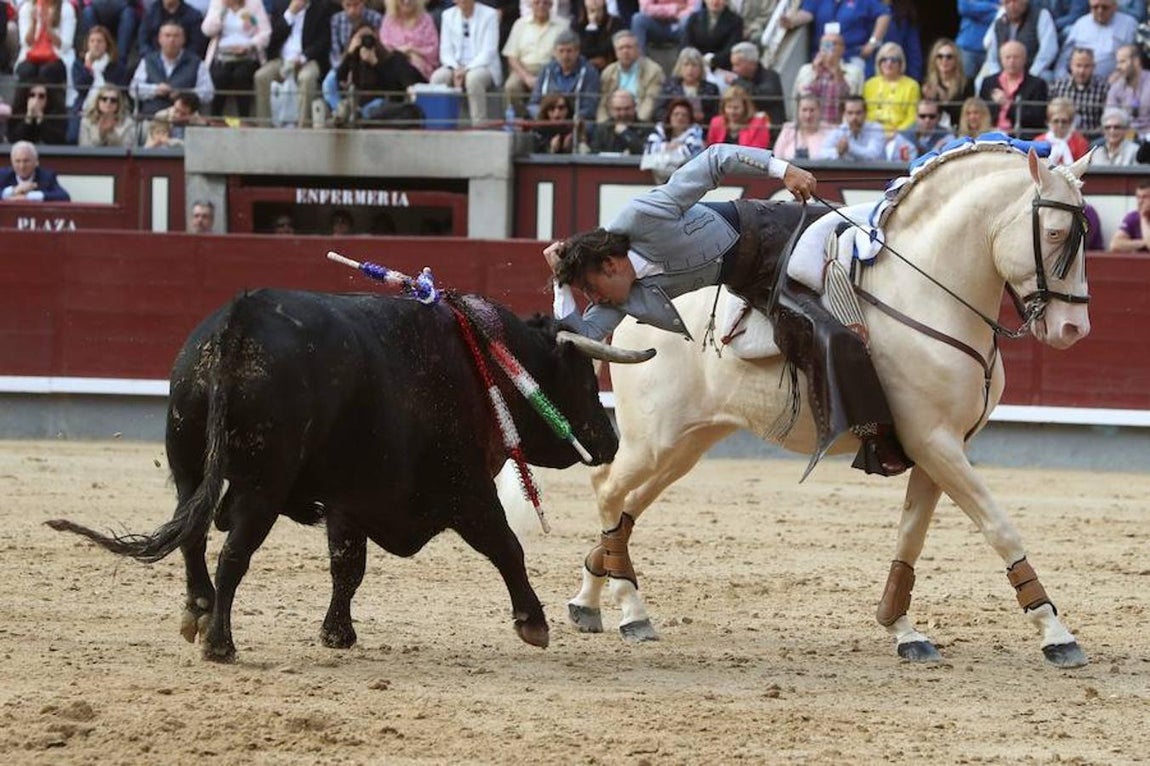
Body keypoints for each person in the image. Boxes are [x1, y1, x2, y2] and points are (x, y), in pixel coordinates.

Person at [544, 143, 910, 475]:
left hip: (776, 230)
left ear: (609, 265)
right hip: (756, 281)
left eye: (591, 289)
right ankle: (874, 431)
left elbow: (715, 158)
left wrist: (783, 170)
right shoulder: (622, 296)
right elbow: (581, 339)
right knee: (818, 333)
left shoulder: (641, 216)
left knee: (878, 239)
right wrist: (561, 283)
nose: (598, 301)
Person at [254, 0, 335, 128]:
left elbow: (323, 42)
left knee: (307, 78)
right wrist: (290, 14)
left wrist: (302, 58)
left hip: (308, 59)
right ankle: (264, 126)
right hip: (282, 59)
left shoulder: (321, 8)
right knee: (261, 76)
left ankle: (303, 126)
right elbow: (272, 39)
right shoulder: (281, 5)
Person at [333, 22, 424, 126]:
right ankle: (345, 113)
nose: (366, 41)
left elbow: (390, 87)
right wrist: (350, 53)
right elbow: (339, 79)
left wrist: (375, 64)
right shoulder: (353, 58)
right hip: (359, 102)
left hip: (380, 102)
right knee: (330, 80)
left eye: (369, 37)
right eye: (361, 37)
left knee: (376, 107)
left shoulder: (388, 59)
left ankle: (355, 116)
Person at [429, 0, 503, 126]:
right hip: (455, 65)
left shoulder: (490, 15)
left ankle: (478, 125)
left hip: (483, 66)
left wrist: (466, 69)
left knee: (473, 78)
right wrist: (456, 68)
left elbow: (489, 51)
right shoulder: (447, 15)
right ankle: (439, 123)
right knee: (437, 78)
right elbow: (445, 50)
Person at [201, 0, 272, 119]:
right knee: (220, 76)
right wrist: (221, 13)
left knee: (241, 75)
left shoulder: (254, 4)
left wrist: (249, 45)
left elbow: (265, 32)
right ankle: (215, 117)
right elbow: (207, 30)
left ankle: (244, 117)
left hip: (248, 55)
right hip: (223, 55)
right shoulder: (218, 4)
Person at [130, 20, 215, 117]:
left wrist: (184, 95)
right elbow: (133, 89)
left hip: (184, 120)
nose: (171, 40)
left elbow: (208, 92)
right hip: (152, 119)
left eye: (176, 36)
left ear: (183, 39)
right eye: (167, 35)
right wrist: (155, 90)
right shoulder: (147, 60)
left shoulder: (197, 62)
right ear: (159, 39)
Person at [782, 0, 890, 74]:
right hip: (822, 56)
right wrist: (791, 21)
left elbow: (884, 14)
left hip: (852, 56)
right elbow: (807, 14)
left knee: (853, 82)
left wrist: (873, 42)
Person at [502, 0, 569, 116]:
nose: (541, 6)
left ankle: (544, 122)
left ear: (551, 5)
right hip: (524, 68)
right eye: (537, 3)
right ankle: (522, 119)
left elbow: (565, 55)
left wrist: (545, 75)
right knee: (511, 86)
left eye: (545, 3)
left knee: (554, 89)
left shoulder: (563, 26)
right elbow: (511, 56)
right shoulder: (520, 24)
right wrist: (526, 77)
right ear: (531, 5)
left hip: (552, 69)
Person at [68, 24, 131, 144]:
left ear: (107, 45)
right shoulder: (79, 64)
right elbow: (81, 87)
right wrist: (88, 67)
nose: (95, 44)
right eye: (92, 41)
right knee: (72, 137)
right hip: (84, 109)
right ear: (87, 44)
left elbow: (118, 91)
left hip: (111, 108)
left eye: (100, 41)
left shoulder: (116, 67)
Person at [319, 0, 383, 115]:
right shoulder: (336, 20)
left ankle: (360, 113)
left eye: (356, 5)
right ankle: (341, 109)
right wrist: (346, 65)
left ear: (363, 3)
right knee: (328, 83)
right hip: (345, 62)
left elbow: (381, 48)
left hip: (370, 64)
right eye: (348, 5)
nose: (352, 10)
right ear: (342, 4)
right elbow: (334, 53)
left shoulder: (376, 18)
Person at [793, 29, 863, 127]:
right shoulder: (806, 70)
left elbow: (852, 99)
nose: (830, 47)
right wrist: (814, 72)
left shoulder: (853, 72)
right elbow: (802, 98)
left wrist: (835, 69)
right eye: (826, 44)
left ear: (842, 49)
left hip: (838, 128)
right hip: (811, 128)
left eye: (834, 44)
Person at [528, 29, 601, 121]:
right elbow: (533, 103)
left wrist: (566, 119)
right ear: (554, 52)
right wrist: (545, 116)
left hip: (575, 123)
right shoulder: (546, 70)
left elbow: (590, 107)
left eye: (569, 51)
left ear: (577, 51)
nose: (565, 56)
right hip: (546, 122)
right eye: (561, 51)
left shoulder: (590, 73)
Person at [978, 39, 1048, 136]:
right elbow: (981, 111)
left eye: (1016, 57)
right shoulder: (988, 82)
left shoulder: (1038, 84)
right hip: (991, 134)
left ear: (1024, 59)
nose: (1012, 61)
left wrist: (1008, 105)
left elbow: (1037, 118)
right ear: (1001, 59)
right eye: (1008, 57)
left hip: (1022, 137)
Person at [1056, 0, 1138, 80]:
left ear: (1115, 7)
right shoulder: (1080, 24)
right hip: (1078, 82)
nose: (1100, 11)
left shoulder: (1129, 25)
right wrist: (1064, 79)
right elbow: (1064, 59)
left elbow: (1133, 59)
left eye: (1105, 7)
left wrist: (1120, 75)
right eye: (1095, 7)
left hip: (1114, 83)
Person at [596, 29, 663, 123]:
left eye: (629, 47)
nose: (625, 51)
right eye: (621, 48)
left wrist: (635, 125)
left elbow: (649, 104)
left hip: (639, 125)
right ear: (615, 52)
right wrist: (604, 126)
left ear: (638, 49)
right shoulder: (608, 72)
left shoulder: (653, 71)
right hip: (612, 123)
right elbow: (602, 105)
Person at [982, 0, 1058, 82]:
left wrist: (1031, 75)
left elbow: (1048, 51)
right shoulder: (999, 23)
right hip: (1004, 73)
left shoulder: (1041, 15)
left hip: (1033, 71)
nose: (1012, 6)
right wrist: (999, 78)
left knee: (1045, 77)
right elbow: (992, 58)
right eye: (1007, 2)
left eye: (1015, 1)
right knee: (980, 82)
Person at [719, 41, 785, 134]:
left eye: (737, 65)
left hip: (770, 129)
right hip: (745, 130)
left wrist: (737, 82)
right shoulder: (741, 79)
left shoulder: (771, 76)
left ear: (751, 63)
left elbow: (762, 98)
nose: (734, 69)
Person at [862, 41, 919, 136]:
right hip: (870, 133)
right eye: (884, 59)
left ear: (901, 63)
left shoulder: (912, 85)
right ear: (878, 62)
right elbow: (864, 113)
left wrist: (896, 134)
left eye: (894, 59)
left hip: (899, 135)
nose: (889, 63)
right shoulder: (869, 84)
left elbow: (912, 118)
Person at [640, 96, 703, 182]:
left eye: (684, 115)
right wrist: (668, 146)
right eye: (676, 114)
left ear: (690, 118)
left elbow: (690, 151)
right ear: (669, 116)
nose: (680, 118)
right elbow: (649, 149)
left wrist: (663, 150)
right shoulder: (660, 128)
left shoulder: (695, 130)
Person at [653, 46, 720, 126]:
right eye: (686, 65)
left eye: (694, 65)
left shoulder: (711, 88)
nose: (690, 69)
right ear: (680, 67)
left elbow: (717, 115)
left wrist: (703, 117)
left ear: (701, 68)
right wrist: (673, 117)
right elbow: (658, 112)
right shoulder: (669, 86)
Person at [15, 0, 75, 87]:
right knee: (26, 70)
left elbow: (65, 46)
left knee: (47, 71)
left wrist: (48, 28)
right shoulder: (26, 8)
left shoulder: (66, 8)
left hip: (58, 56)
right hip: (31, 56)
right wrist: (34, 23)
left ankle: (50, 100)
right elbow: (25, 43)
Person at [1050, 46, 1108, 135]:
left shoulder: (1103, 88)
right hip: (1064, 137)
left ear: (1093, 67)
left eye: (1086, 66)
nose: (1082, 71)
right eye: (1078, 65)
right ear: (1071, 66)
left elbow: (1106, 120)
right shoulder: (1058, 87)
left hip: (1093, 138)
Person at [380, 0, 439, 82]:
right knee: (397, 60)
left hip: (420, 70)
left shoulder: (426, 19)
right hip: (393, 69)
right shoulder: (388, 20)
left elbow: (433, 50)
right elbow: (384, 49)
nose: (407, 1)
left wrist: (412, 50)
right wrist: (404, 52)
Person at [920, 37, 973, 128]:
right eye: (940, 56)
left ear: (956, 60)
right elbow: (925, 117)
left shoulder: (966, 84)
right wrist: (929, 99)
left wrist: (945, 102)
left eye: (949, 57)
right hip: (935, 134)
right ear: (934, 59)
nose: (944, 60)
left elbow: (966, 115)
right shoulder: (927, 84)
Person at [819, 93, 884, 160]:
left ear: (865, 113)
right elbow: (822, 153)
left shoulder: (875, 129)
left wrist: (849, 148)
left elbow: (874, 155)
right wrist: (838, 151)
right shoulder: (839, 130)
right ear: (844, 114)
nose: (854, 117)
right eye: (850, 113)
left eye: (858, 113)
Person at [885, 98, 953, 162]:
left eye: (932, 116)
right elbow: (896, 164)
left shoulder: (946, 137)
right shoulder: (903, 137)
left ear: (938, 117)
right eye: (922, 116)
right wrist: (936, 151)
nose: (927, 120)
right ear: (916, 116)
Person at [683, 0, 742, 72]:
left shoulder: (736, 21)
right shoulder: (694, 18)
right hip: (694, 66)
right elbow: (686, 43)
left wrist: (712, 61)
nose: (715, 1)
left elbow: (731, 48)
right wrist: (698, 60)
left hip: (721, 68)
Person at [138, 0, 209, 60]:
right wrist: (153, 59)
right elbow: (143, 42)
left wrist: (179, 61)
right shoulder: (151, 12)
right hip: (153, 62)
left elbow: (196, 46)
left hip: (184, 65)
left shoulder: (194, 16)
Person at [1, 140, 70, 201]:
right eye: (17, 161)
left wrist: (29, 197)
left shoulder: (46, 176)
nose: (22, 166)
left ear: (36, 162)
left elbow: (64, 196)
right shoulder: (3, 175)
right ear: (12, 163)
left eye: (26, 161)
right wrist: (14, 190)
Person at [706, 84, 770, 148]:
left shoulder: (758, 124)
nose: (732, 111)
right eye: (729, 107)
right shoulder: (716, 122)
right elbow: (711, 149)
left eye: (736, 108)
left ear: (745, 107)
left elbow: (759, 152)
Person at [1106, 43, 1150, 134]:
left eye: (1122, 62)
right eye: (1117, 62)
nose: (1118, 67)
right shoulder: (1116, 87)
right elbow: (1110, 115)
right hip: (1124, 136)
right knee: (1092, 147)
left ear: (1136, 61)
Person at [772, 93, 832, 160]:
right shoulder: (788, 130)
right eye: (804, 110)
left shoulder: (829, 131)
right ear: (798, 111)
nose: (808, 115)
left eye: (812, 110)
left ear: (819, 111)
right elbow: (776, 158)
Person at [77, 0, 138, 65]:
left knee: (128, 14)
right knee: (87, 11)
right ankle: (94, 57)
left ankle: (121, 61)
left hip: (122, 11)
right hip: (96, 10)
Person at [1035, 96, 1090, 164]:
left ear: (1070, 122)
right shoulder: (1038, 141)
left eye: (1064, 121)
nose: (1060, 125)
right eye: (1056, 121)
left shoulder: (1080, 143)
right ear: (1049, 121)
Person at [8, 79, 67, 144]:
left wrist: (41, 120)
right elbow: (14, 139)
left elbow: (57, 140)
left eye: (41, 96)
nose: (36, 99)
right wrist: (28, 118)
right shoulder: (17, 111)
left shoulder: (57, 113)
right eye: (32, 95)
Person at [589, 87, 646, 153]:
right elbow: (594, 155)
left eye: (627, 108)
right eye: (618, 109)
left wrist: (626, 134)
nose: (623, 113)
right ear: (611, 110)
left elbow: (644, 153)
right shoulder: (602, 130)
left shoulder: (646, 128)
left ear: (634, 107)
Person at [628, 0, 692, 55]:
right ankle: (639, 64)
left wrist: (679, 16)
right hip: (657, 26)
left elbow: (693, 8)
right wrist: (674, 8)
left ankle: (685, 63)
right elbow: (646, 8)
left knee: (687, 20)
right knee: (638, 19)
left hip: (680, 24)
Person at [574, 0, 623, 71]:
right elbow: (581, 49)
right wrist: (592, 25)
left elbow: (610, 46)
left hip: (609, 67)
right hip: (583, 68)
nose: (594, 1)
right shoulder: (577, 24)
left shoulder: (615, 22)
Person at [957, 0, 1000, 79]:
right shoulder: (993, 6)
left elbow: (1001, 15)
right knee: (964, 85)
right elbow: (964, 8)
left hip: (991, 52)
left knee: (989, 86)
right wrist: (992, 7)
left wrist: (975, 12)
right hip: (968, 48)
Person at [1109, 180, 1150, 251]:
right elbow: (1114, 245)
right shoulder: (1132, 217)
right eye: (1138, 197)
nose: (1140, 201)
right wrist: (1144, 243)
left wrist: (1144, 218)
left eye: (1145, 197)